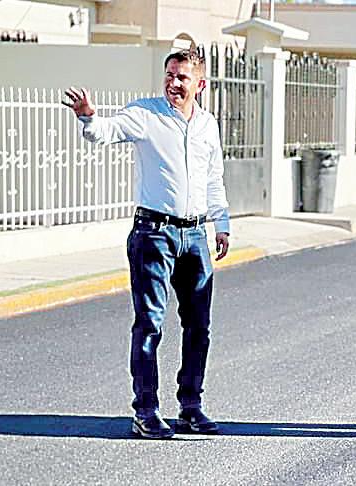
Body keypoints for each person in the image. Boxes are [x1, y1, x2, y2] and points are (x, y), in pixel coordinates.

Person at [62, 48, 230, 439]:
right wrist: (88, 117)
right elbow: (106, 132)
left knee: (199, 327)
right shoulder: (145, 113)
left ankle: (191, 406)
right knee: (150, 323)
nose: (173, 83)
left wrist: (221, 224)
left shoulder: (208, 125)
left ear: (200, 84)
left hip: (195, 236)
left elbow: (213, 178)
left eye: (182, 77)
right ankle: (146, 411)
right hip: (154, 234)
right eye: (169, 75)